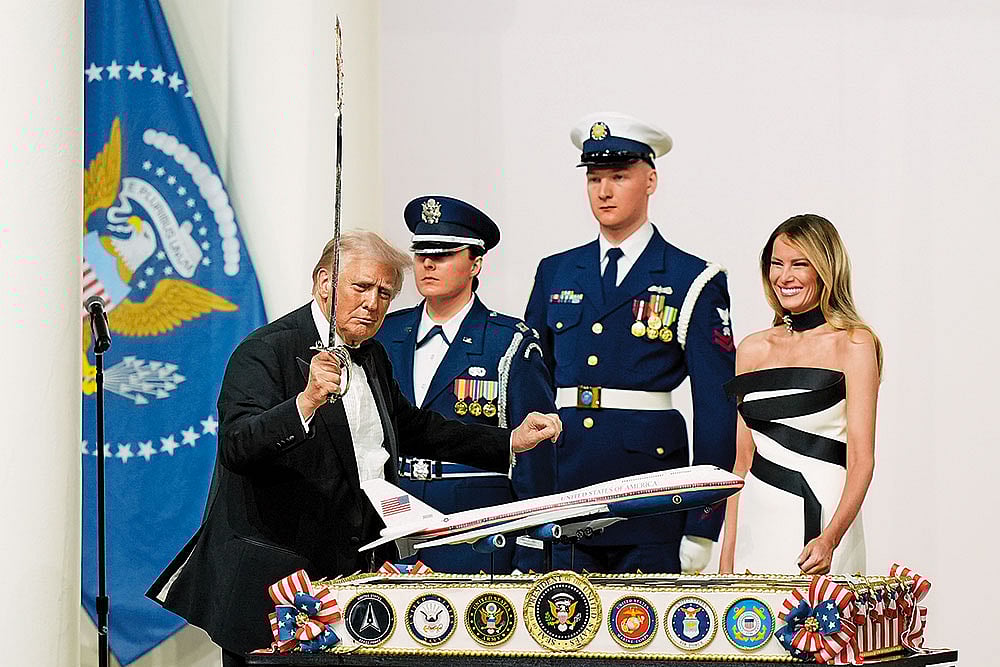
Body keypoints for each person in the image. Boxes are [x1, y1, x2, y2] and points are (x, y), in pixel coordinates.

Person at [146, 230, 562, 665]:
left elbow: (412, 426)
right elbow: (238, 445)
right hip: (272, 588)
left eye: (385, 293)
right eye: (361, 287)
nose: (373, 303)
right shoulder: (264, 350)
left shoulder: (373, 355)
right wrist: (304, 402)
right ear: (324, 283)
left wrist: (509, 440)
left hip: (351, 580)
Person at [524, 112, 736, 574]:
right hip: (565, 495)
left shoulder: (692, 278)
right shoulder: (556, 272)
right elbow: (530, 390)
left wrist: (703, 524)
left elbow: (717, 411)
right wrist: (527, 503)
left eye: (619, 176)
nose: (604, 191)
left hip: (650, 499)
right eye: (595, 178)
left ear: (651, 180)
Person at [376, 195, 557, 574]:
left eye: (443, 254)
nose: (427, 263)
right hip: (393, 521)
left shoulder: (508, 342)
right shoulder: (386, 334)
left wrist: (532, 550)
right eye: (421, 252)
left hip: (476, 530)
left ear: (476, 263)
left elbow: (533, 457)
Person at [719, 214, 881, 576]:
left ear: (826, 268)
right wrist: (726, 555)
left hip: (825, 520)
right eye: (776, 263)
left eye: (799, 264)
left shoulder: (854, 343)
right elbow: (741, 462)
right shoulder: (751, 349)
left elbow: (861, 460)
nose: (784, 277)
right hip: (755, 521)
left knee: (818, 631)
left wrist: (830, 539)